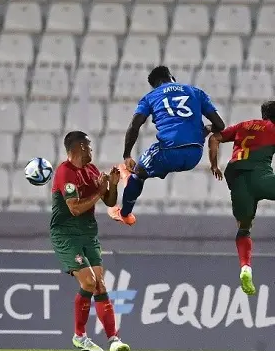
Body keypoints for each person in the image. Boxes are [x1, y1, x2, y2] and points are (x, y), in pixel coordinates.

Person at [108, 65, 225, 225]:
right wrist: (206, 130)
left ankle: (125, 213)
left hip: (169, 151)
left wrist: (127, 155)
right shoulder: (195, 92)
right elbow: (220, 125)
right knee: (146, 167)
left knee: (138, 173)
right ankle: (136, 177)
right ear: (172, 78)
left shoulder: (151, 96)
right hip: (194, 154)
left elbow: (134, 126)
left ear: (155, 84)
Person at [50, 130, 130, 351]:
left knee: (100, 285)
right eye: (89, 146)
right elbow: (74, 209)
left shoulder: (92, 170)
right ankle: (79, 336)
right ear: (81, 147)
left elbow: (110, 201)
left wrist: (111, 186)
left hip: (88, 234)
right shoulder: (65, 173)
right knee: (89, 282)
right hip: (66, 235)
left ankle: (114, 339)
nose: (92, 151)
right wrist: (100, 192)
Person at [208, 101, 275, 296]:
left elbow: (215, 138)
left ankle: (246, 268)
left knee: (244, 228)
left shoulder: (243, 125)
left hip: (237, 179)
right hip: (260, 176)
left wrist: (214, 165)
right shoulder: (273, 128)